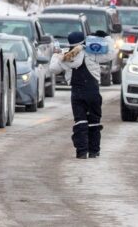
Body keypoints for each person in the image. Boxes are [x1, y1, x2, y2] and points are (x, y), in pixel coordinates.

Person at [49, 31, 115, 159]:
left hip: (77, 93)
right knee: (94, 121)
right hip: (93, 91)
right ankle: (94, 151)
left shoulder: (66, 57)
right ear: (83, 41)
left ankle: (81, 151)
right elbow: (111, 54)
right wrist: (107, 37)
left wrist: (56, 54)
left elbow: (53, 69)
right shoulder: (91, 53)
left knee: (80, 121)